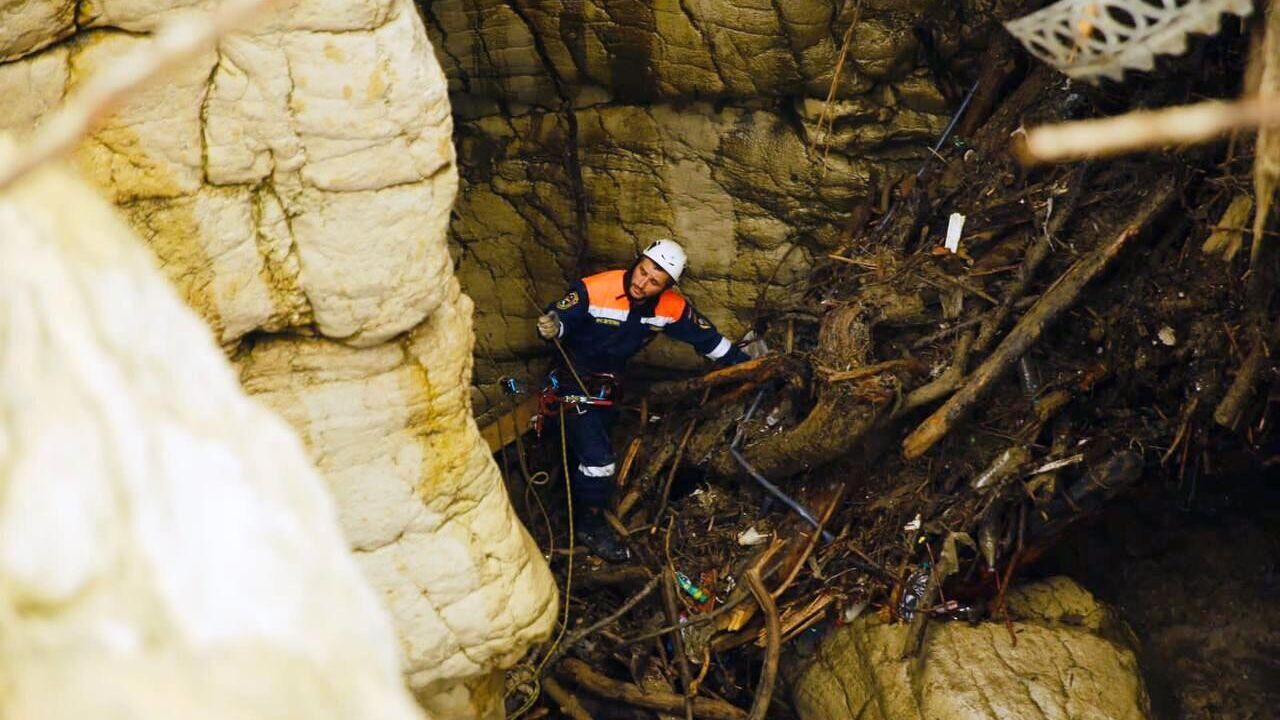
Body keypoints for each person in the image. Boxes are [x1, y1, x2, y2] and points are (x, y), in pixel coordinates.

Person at [536, 239, 750, 561]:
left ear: (666, 287)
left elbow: (709, 340)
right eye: (642, 272)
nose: (642, 283)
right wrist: (553, 327)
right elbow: (561, 319)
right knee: (598, 462)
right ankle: (589, 524)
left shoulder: (670, 307)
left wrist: (748, 367)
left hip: (610, 387)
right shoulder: (594, 289)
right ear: (636, 263)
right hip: (572, 380)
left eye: (654, 282)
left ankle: (569, 486)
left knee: (592, 444)